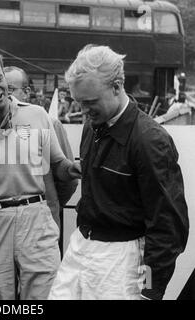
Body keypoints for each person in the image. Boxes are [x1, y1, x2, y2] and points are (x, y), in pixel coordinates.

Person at [48, 45, 189, 300]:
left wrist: (149, 291)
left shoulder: (151, 141)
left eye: (90, 102)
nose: (84, 111)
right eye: (79, 102)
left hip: (122, 259)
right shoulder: (93, 124)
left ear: (117, 86)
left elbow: (168, 228)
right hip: (80, 245)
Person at [0, 50, 80, 300]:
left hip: (37, 220)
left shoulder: (37, 115)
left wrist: (72, 168)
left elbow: (59, 165)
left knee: (43, 298)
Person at [4, 66, 77, 240]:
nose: (4, 95)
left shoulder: (48, 122)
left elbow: (68, 178)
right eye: (1, 89)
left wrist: (49, 204)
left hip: (42, 227)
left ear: (26, 92)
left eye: (11, 90)